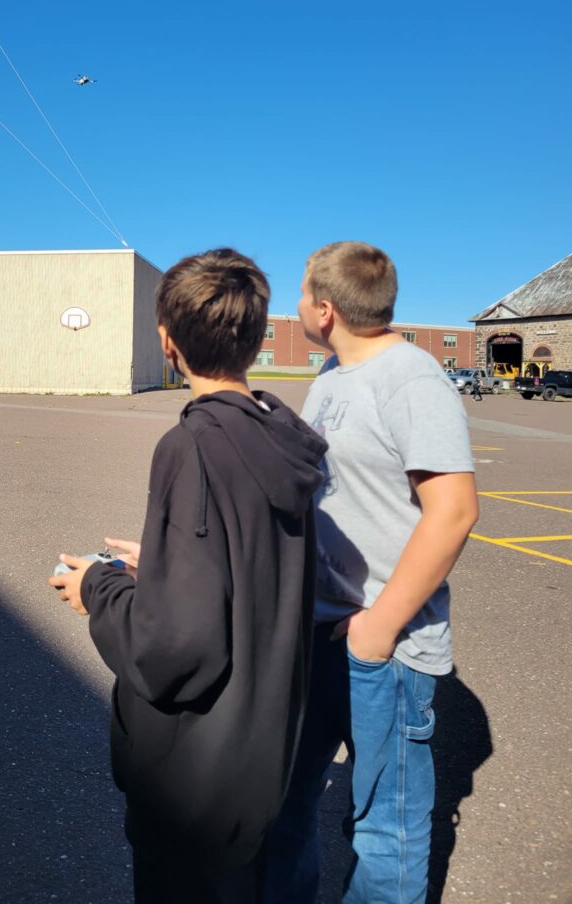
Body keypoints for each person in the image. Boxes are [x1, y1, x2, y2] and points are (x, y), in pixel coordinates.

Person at [50, 248, 327, 904]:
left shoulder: (192, 446)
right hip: (258, 765)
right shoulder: (280, 440)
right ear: (258, 339)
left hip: (195, 783)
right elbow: (256, 565)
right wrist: (168, 562)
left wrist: (99, 588)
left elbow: (176, 649)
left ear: (166, 341)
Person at [265, 241, 479, 904]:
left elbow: (454, 512)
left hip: (381, 650)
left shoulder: (411, 378)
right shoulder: (331, 376)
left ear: (324, 310)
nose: (294, 304)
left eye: (300, 293)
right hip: (317, 631)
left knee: (387, 831)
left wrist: (378, 631)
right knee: (283, 806)